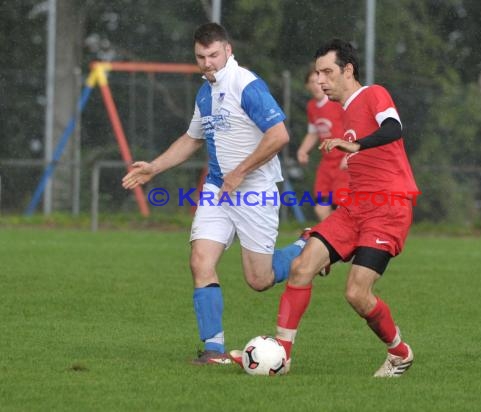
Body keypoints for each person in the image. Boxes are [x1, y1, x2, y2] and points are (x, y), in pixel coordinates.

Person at [231, 39, 419, 377]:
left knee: (356, 293)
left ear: (348, 70)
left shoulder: (374, 94)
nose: (320, 80)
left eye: (327, 72)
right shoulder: (341, 111)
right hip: (354, 209)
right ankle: (281, 355)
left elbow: (394, 128)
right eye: (317, 73)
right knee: (303, 266)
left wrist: (356, 144)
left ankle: (400, 353)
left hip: (388, 207)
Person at [122, 22, 307, 365]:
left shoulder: (245, 84)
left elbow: (279, 135)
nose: (207, 62)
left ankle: (306, 247)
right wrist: (154, 168)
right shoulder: (205, 92)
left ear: (228, 51)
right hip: (218, 190)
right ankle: (214, 351)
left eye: (213, 55)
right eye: (201, 56)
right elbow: (191, 138)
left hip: (255, 192)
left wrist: (240, 172)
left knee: (259, 279)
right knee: (200, 261)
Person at [296, 66, 349, 220]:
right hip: (326, 163)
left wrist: (349, 154)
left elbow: (352, 128)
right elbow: (313, 132)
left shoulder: (337, 102)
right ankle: (333, 240)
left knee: (340, 207)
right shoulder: (311, 106)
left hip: (342, 162)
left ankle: (342, 240)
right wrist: (302, 150)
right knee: (321, 208)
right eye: (312, 81)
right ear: (307, 85)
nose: (316, 85)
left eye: (319, 81)